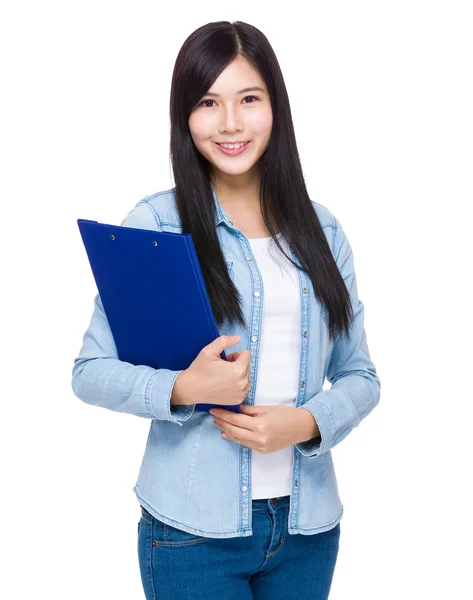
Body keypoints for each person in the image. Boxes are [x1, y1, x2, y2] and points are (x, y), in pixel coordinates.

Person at [71, 20, 381, 600]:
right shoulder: (158, 226)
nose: (231, 123)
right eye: (209, 102)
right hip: (192, 534)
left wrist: (308, 423)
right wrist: (184, 388)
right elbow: (89, 373)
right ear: (184, 116)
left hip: (307, 530)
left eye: (249, 99)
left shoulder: (324, 230)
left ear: (275, 108)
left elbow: (362, 376)